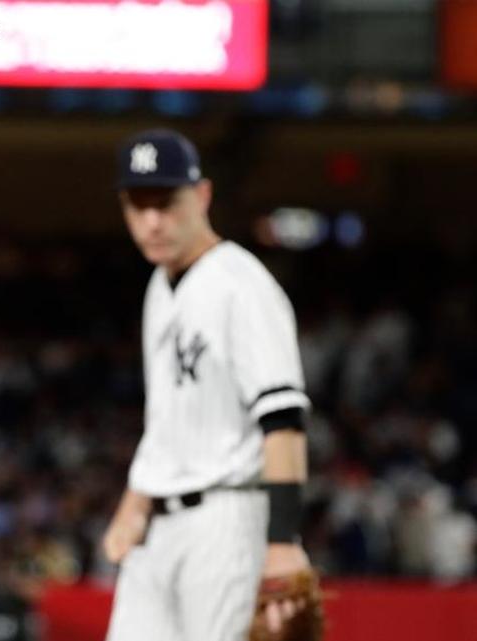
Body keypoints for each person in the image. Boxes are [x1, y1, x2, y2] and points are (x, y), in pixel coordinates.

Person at [102, 130, 314, 641]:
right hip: (161, 520)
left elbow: (283, 419)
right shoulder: (161, 283)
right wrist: (134, 502)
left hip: (226, 516)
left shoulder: (242, 285)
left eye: (166, 203)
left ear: (201, 196)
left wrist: (282, 540)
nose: (152, 221)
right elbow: (170, 418)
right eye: (138, 206)